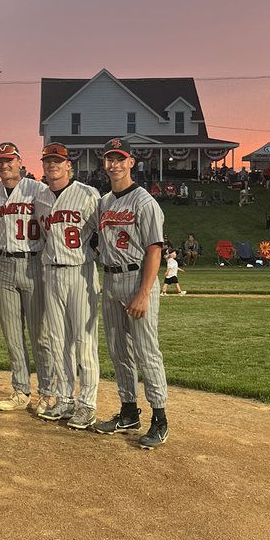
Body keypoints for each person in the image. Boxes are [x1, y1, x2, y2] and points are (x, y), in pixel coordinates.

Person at [88, 136, 169, 449]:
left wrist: (144, 293)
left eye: (120, 159)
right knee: (119, 351)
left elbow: (154, 250)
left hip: (136, 279)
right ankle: (128, 411)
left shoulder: (145, 202)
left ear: (131, 162)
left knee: (147, 352)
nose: (114, 164)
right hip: (110, 280)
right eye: (109, 159)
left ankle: (159, 419)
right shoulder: (105, 202)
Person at [33, 142, 101, 430]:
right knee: (57, 340)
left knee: (84, 342)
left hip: (80, 271)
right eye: (48, 161)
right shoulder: (41, 199)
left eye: (57, 161)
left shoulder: (88, 195)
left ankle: (87, 403)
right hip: (52, 272)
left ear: (68, 165)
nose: (52, 166)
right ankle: (65, 399)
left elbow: (101, 233)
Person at [0, 141, 54, 412]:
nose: (4, 165)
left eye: (9, 160)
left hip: (33, 262)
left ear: (19, 161)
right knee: (12, 334)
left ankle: (48, 392)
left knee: (40, 334)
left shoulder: (38, 190)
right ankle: (21, 390)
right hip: (3, 264)